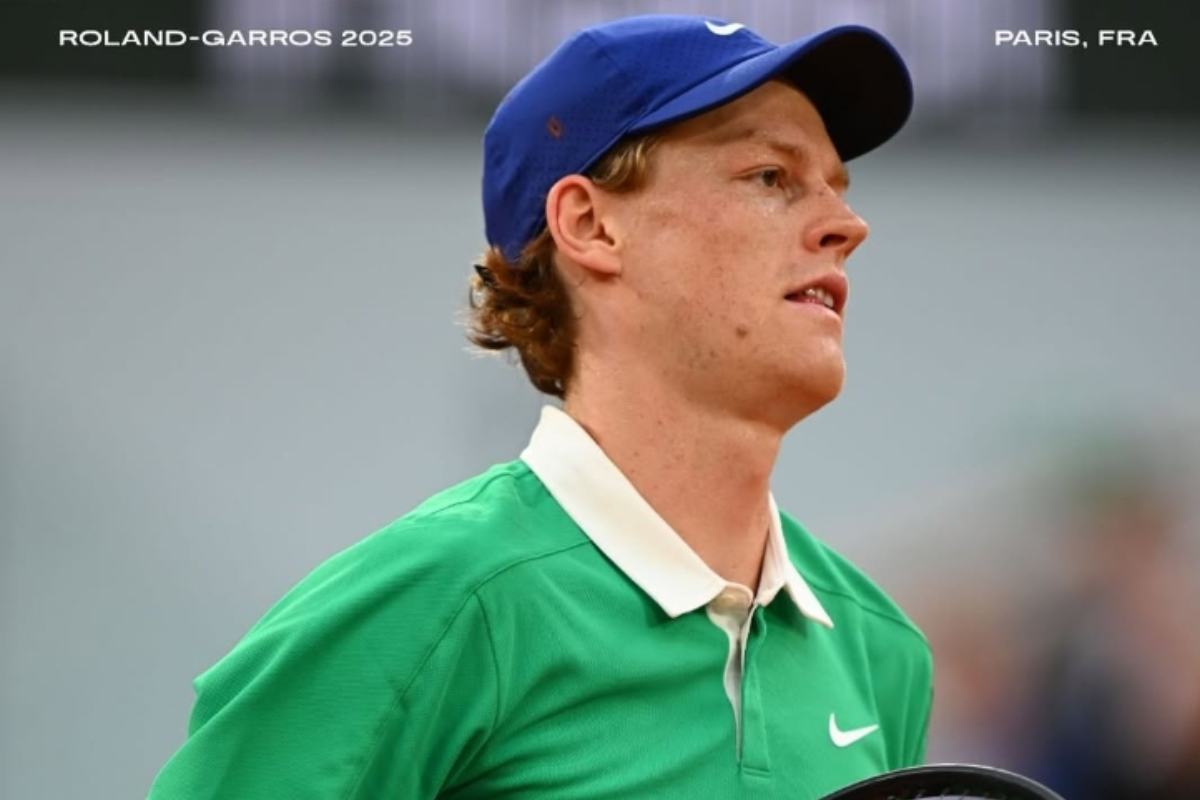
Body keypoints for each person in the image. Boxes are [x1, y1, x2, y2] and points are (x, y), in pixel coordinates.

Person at [149, 15, 932, 799]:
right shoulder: (432, 603)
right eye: (770, 176)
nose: (848, 226)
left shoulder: (881, 647)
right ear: (590, 225)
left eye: (837, 187)